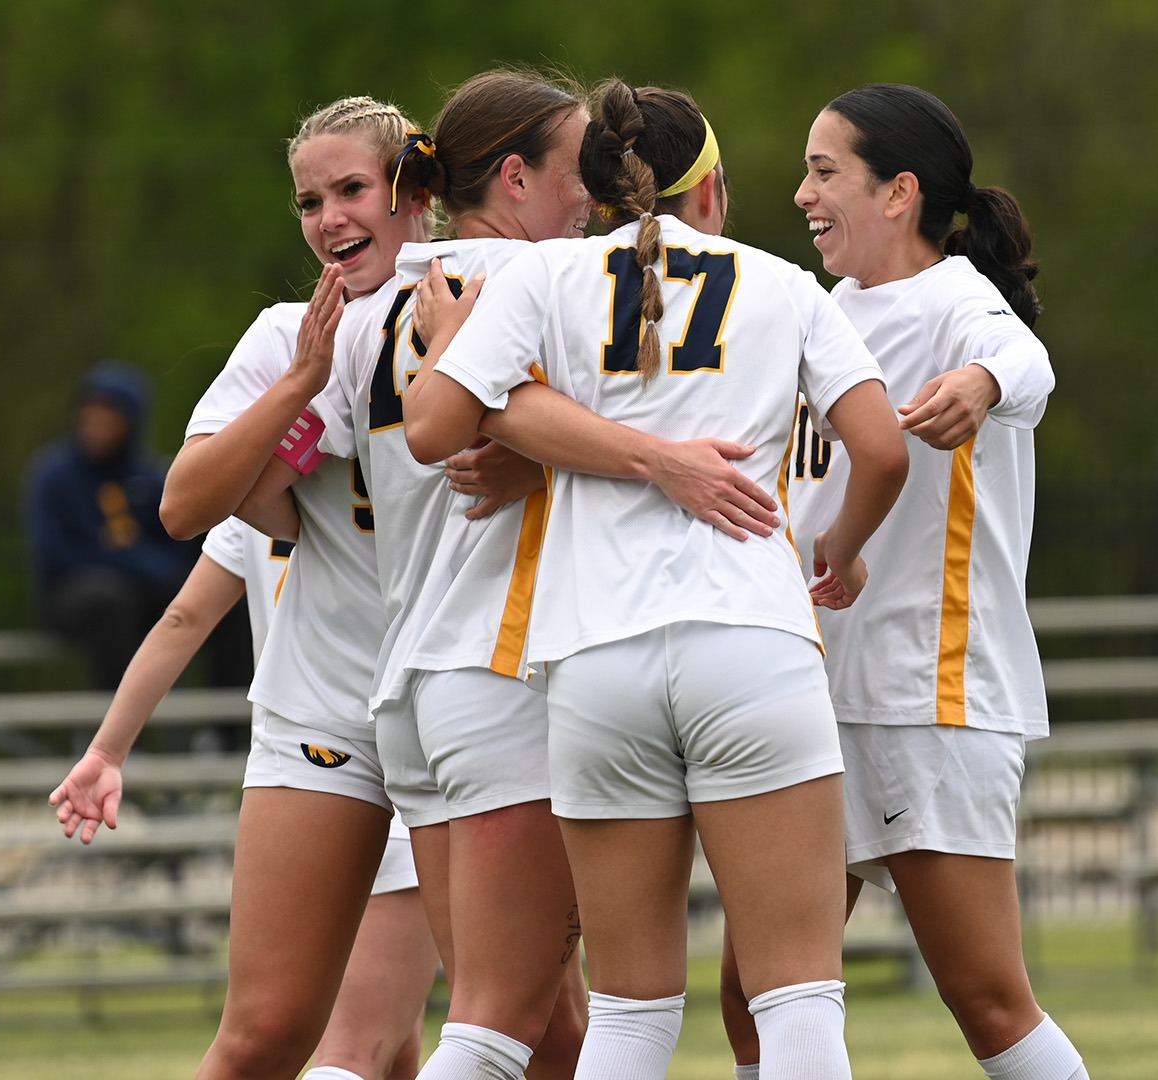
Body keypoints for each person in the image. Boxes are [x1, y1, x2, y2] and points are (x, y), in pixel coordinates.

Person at [402, 78, 909, 1080]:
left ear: (595, 191)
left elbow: (432, 428)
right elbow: (882, 452)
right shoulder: (781, 285)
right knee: (797, 997)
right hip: (751, 644)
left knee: (632, 1017)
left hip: (595, 666)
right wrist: (838, 548)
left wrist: (453, 342)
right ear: (710, 190)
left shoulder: (542, 282)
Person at [287, 69, 784, 1080]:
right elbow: (497, 421)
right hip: (504, 677)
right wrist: (655, 456)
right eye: (575, 173)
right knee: (494, 1027)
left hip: (413, 692)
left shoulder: (384, 303)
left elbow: (296, 492)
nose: (596, 195)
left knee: (551, 1031)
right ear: (514, 177)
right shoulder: (524, 284)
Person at [719, 84, 1089, 1080]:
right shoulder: (824, 309)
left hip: (927, 692)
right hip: (814, 692)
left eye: (825, 170)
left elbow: (1025, 358)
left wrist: (983, 382)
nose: (801, 192)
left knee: (986, 997)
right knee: (755, 998)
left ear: (899, 194)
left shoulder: (955, 299)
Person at [153, 96, 439, 1080]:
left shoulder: (488, 303)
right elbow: (184, 507)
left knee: (540, 1030)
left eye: (352, 189)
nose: (329, 218)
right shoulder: (286, 334)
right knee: (271, 1030)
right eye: (309, 201)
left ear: (414, 190)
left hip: (468, 701)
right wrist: (299, 384)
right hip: (329, 705)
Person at [49, 514, 439, 1080]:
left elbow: (182, 618)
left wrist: (108, 750)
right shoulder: (411, 453)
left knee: (387, 1044)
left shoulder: (256, 489)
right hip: (399, 755)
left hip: (293, 772)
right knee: (355, 1054)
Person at [22, 361, 210, 689]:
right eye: (90, 413)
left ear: (131, 421)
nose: (96, 424)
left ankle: (221, 730)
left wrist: (146, 564)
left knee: (213, 593)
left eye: (109, 415)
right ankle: (118, 730)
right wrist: (131, 561)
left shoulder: (149, 476)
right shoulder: (53, 475)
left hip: (140, 592)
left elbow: (179, 544)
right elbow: (55, 556)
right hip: (73, 597)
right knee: (108, 598)